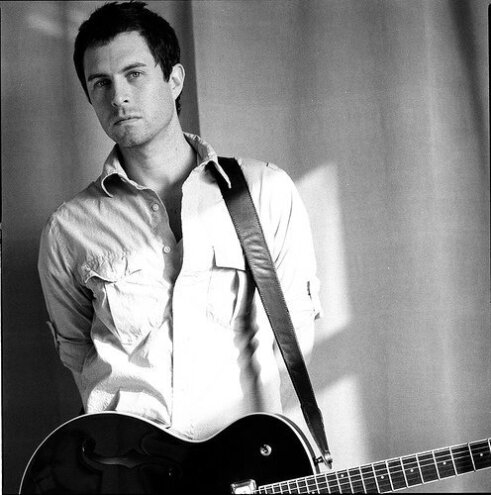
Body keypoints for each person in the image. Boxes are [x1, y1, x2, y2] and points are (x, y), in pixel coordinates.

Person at [38, 0, 321, 441]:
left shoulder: (265, 191)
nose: (118, 97)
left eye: (134, 74)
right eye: (101, 83)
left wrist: (262, 452)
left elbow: (296, 341)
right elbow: (80, 358)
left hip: (246, 463)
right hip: (130, 468)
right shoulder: (68, 230)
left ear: (174, 80)